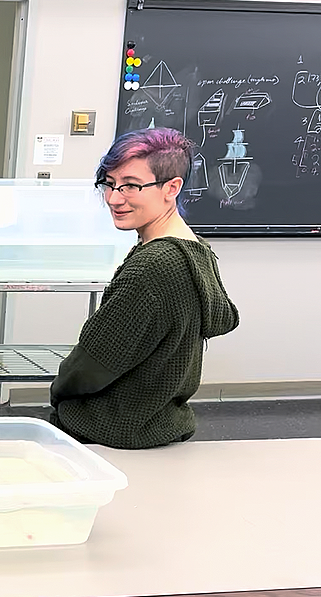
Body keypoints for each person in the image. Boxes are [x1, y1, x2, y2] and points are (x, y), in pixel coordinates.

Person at [49, 127, 239, 449]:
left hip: (111, 432)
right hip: (160, 424)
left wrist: (58, 390)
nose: (113, 198)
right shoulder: (194, 249)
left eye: (131, 186)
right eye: (108, 184)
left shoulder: (155, 267)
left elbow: (94, 363)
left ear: (172, 187)